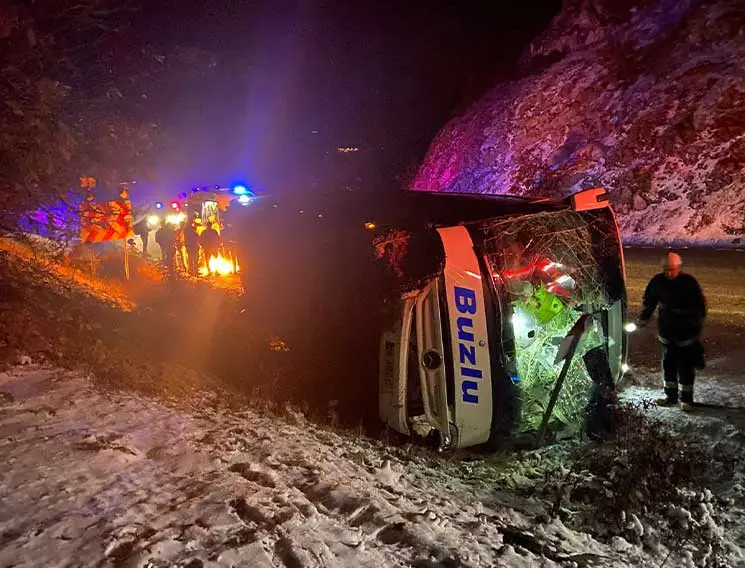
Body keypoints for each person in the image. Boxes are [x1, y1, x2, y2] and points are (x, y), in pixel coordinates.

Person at [638, 252, 706, 411]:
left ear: (679, 268)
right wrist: (643, 318)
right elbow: (650, 302)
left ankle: (686, 400)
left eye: (672, 269)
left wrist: (695, 326)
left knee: (685, 366)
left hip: (685, 333)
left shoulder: (689, 283)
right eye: (666, 269)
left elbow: (699, 306)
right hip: (667, 332)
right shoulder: (657, 282)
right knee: (668, 365)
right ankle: (671, 396)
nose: (669, 272)